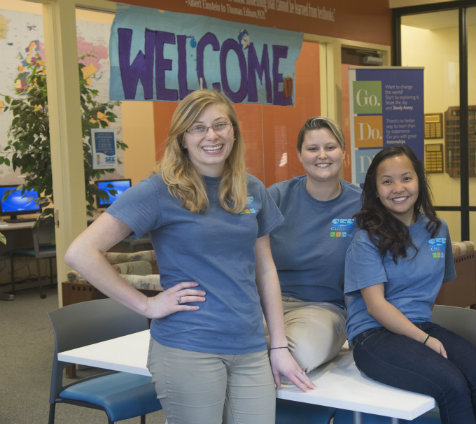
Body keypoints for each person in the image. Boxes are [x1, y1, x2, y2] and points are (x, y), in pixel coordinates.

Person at [64, 89, 313, 424]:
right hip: (188, 346)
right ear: (182, 138)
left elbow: (265, 268)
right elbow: (80, 252)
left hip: (250, 345)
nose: (211, 135)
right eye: (198, 128)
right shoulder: (158, 191)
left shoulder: (251, 189)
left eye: (220, 125)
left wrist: (279, 345)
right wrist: (147, 305)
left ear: (234, 132)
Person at [344, 145, 476, 423]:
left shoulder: (437, 230)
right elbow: (376, 306)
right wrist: (424, 340)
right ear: (375, 189)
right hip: (373, 335)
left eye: (406, 178)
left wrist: (425, 334)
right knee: (451, 385)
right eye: (387, 181)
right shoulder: (366, 238)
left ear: (419, 181)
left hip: (419, 324)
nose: (398, 188)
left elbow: (435, 280)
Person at [267, 117, 362, 373]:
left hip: (323, 309)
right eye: (312, 149)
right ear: (299, 154)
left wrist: (360, 329)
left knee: (295, 356)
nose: (322, 155)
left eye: (330, 147)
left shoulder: (362, 205)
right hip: (266, 305)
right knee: (215, 344)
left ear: (343, 152)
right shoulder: (276, 197)